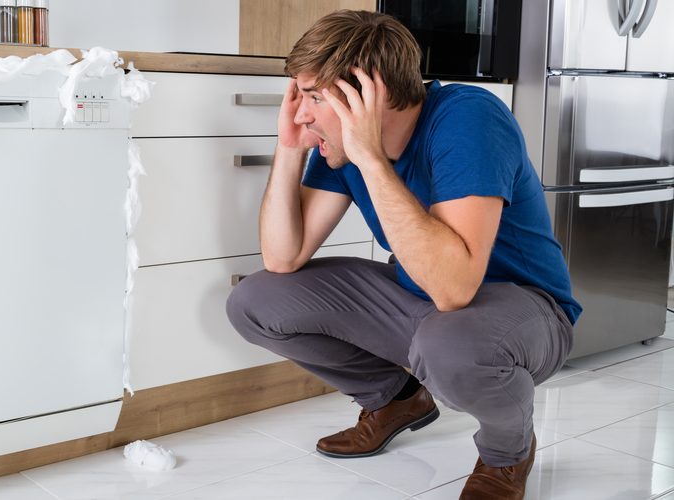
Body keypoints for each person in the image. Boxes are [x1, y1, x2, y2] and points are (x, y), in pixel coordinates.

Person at [225, 10, 580, 500]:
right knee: (257, 300)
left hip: (523, 311)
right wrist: (290, 148)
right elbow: (284, 258)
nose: (301, 113)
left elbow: (455, 288)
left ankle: (506, 454)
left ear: (366, 99)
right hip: (425, 304)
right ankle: (395, 400)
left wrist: (369, 156)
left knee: (450, 343)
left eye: (312, 98)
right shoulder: (339, 148)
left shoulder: (468, 117)